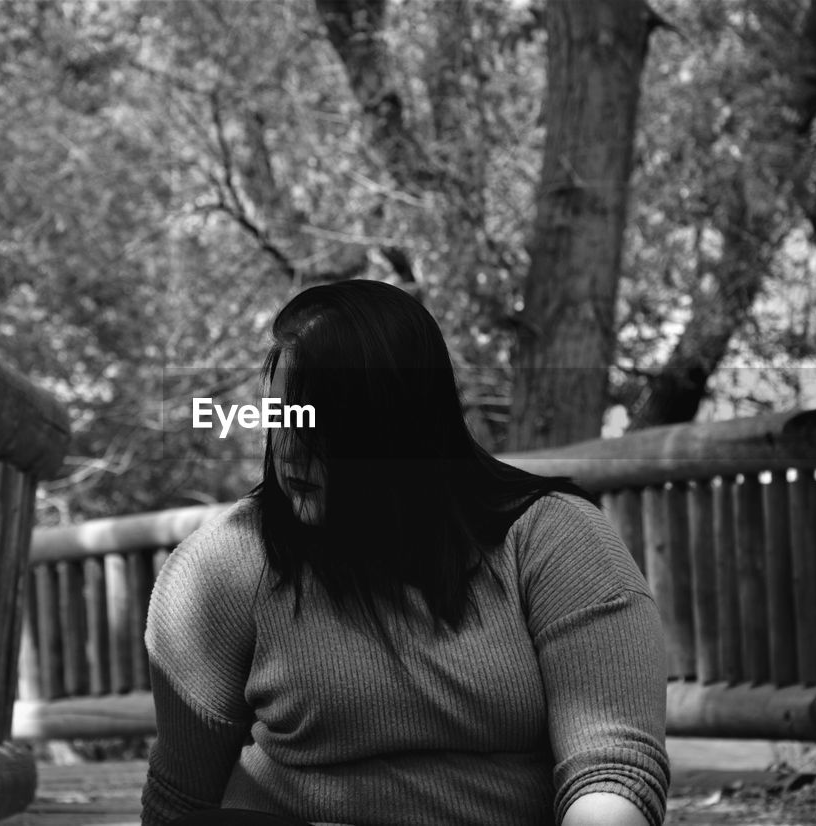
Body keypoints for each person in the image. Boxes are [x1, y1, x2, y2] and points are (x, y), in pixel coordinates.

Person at [143, 280, 669, 826]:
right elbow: (181, 799)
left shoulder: (555, 537)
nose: (291, 447)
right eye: (279, 417)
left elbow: (611, 771)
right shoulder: (223, 564)